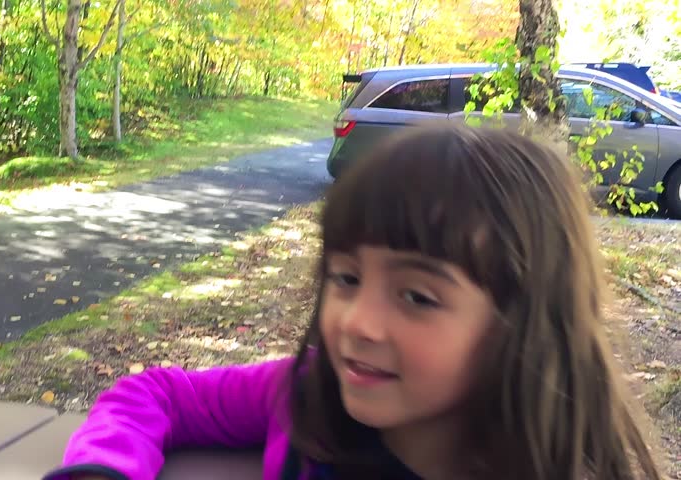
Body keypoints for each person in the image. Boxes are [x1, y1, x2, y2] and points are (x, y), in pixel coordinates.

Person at [42, 124, 661, 480]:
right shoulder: (307, 395)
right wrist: (104, 469)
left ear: (522, 323)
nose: (356, 323)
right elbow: (158, 395)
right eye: (344, 278)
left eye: (417, 295)